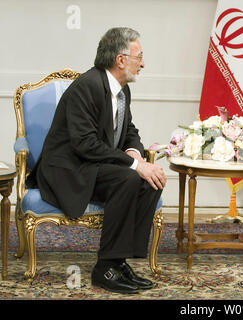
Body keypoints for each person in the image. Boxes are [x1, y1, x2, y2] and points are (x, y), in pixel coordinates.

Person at [26, 27, 167, 294]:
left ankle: (119, 260)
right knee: (129, 177)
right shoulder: (87, 86)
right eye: (140, 57)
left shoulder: (122, 91)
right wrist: (136, 165)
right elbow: (85, 145)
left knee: (151, 182)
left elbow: (130, 132)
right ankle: (104, 269)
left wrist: (135, 153)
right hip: (68, 169)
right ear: (121, 59)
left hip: (92, 164)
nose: (144, 63)